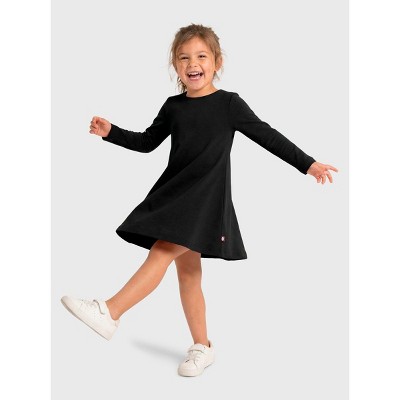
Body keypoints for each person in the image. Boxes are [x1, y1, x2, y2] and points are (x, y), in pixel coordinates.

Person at [61, 23, 339, 378]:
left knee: (163, 251)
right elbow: (147, 142)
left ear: (217, 62)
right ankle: (202, 347)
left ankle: (110, 312)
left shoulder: (229, 104)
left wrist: (308, 164)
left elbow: (268, 135)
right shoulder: (173, 107)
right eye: (184, 58)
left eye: (201, 56)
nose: (193, 63)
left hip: (205, 200)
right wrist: (111, 132)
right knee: (189, 274)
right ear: (175, 66)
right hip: (176, 194)